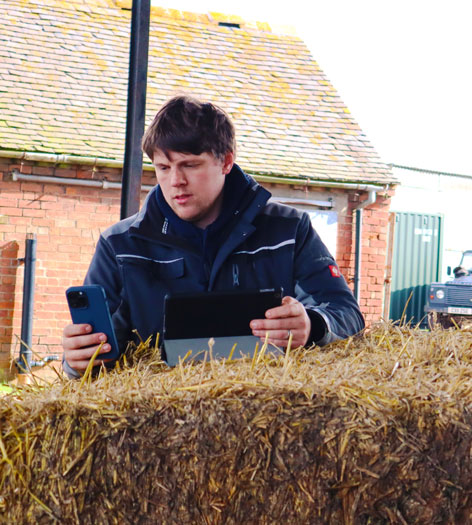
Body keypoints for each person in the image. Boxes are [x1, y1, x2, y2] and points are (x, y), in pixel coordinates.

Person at [62, 95, 365, 378]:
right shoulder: (120, 246)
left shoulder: (288, 229)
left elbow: (347, 313)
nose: (175, 181)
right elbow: (93, 354)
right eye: (163, 168)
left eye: (190, 165)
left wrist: (311, 325)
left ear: (226, 161)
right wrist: (78, 361)